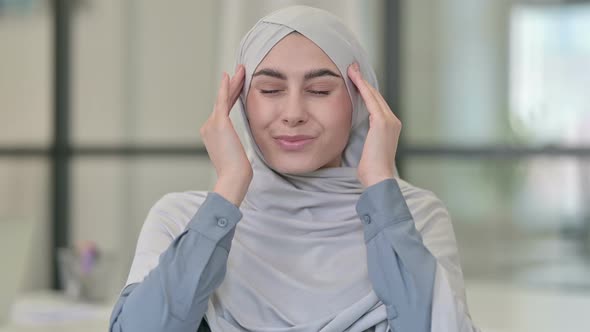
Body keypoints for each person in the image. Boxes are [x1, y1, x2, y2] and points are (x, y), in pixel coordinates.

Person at [109, 6, 479, 332]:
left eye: (319, 91)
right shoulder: (183, 219)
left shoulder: (414, 216)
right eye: (270, 90)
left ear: (360, 102)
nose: (293, 113)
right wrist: (230, 187)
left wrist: (381, 184)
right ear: (241, 103)